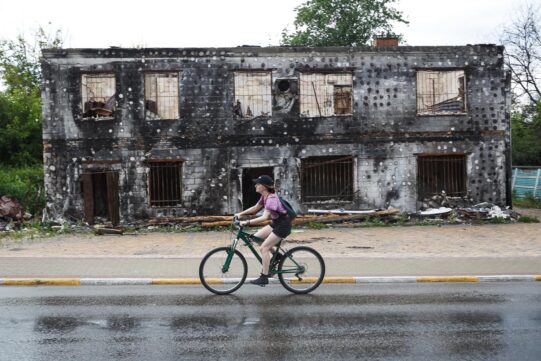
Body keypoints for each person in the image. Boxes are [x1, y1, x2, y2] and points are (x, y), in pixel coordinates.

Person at [234, 175, 292, 286]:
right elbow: (255, 208)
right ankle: (277, 256)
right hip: (276, 223)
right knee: (256, 237)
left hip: (283, 225)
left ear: (264, 186)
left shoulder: (271, 199)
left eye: (258, 184)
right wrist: (240, 214)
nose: (255, 185)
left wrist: (246, 222)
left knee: (264, 248)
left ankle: (264, 277)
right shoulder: (264, 196)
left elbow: (264, 218)